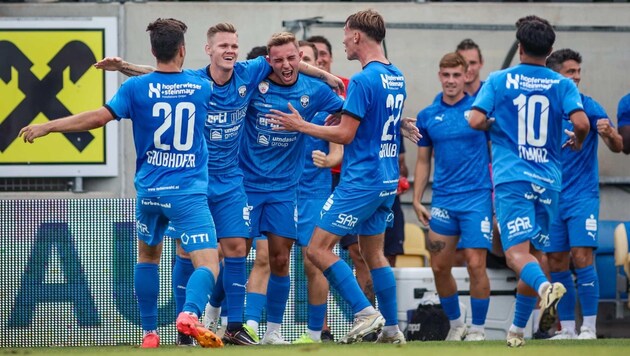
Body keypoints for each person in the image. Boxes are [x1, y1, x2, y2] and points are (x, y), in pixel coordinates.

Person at [94, 24, 343, 346]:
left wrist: (324, 76)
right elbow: (160, 77)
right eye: (223, 45)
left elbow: (286, 60)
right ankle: (188, 325)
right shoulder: (194, 81)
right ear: (206, 49)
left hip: (230, 180)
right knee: (187, 252)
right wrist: (125, 66)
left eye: (233, 45)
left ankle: (235, 326)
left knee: (238, 248)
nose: (229, 50)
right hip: (192, 179)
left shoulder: (247, 74)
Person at [19, 18, 223, 349]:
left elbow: (97, 119)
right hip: (187, 193)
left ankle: (148, 334)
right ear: (183, 51)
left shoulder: (134, 89)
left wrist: (49, 126)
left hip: (150, 194)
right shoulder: (201, 86)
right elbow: (184, 83)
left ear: (154, 50)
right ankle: (189, 314)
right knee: (208, 262)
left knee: (147, 256)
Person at [267, 9, 420, 344]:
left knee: (317, 250)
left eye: (345, 34)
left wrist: (301, 125)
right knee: (373, 254)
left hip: (361, 180)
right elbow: (377, 116)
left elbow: (347, 134)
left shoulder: (365, 79)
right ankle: (393, 330)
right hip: (386, 179)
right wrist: (399, 122)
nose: (342, 41)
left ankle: (366, 313)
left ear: (356, 37)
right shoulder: (395, 74)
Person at [468, 15, 590, 347]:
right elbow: (581, 124)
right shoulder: (562, 84)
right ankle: (517, 331)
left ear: (519, 48)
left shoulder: (498, 79)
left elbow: (476, 119)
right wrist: (577, 142)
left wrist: (496, 125)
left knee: (516, 255)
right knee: (535, 253)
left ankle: (545, 288)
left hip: (514, 179)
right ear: (549, 50)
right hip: (549, 181)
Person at [238, 32, 344, 345]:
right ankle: (232, 322)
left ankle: (306, 332)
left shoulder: (316, 92)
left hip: (300, 190)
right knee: (245, 255)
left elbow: (350, 122)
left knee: (300, 260)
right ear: (268, 61)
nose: (287, 65)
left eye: (294, 58)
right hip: (251, 186)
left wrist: (394, 124)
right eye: (279, 59)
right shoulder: (254, 79)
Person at [413, 52, 493, 342]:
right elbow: (423, 161)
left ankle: (479, 329)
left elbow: (495, 154)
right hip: (443, 201)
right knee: (439, 266)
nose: (451, 81)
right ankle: (457, 324)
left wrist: (498, 196)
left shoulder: (479, 112)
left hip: (476, 199)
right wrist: (418, 198)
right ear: (439, 75)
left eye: (456, 75)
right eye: (445, 75)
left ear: (466, 76)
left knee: (475, 264)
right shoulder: (427, 115)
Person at [544, 48, 623, 340]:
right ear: (555, 75)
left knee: (582, 256)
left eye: (578, 71)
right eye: (570, 72)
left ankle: (589, 327)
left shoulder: (590, 107)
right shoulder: (545, 109)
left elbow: (617, 146)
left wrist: (610, 134)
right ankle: (566, 328)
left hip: (582, 197)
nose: (576, 77)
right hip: (551, 197)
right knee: (555, 262)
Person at [307, 34, 375, 311]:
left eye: (322, 54)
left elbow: (343, 139)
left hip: (345, 181)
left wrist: (303, 127)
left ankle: (368, 316)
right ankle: (320, 329)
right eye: (313, 57)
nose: (320, 60)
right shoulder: (294, 89)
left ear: (329, 59)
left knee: (357, 253)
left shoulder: (344, 88)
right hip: (305, 185)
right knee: (304, 257)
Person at [292, 40, 344, 344]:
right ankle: (257, 328)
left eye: (308, 59)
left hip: (315, 192)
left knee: (314, 261)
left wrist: (328, 160)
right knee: (269, 259)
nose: (304, 65)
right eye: (301, 60)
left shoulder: (327, 100)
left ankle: (318, 330)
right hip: (283, 192)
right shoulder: (280, 94)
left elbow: (338, 151)